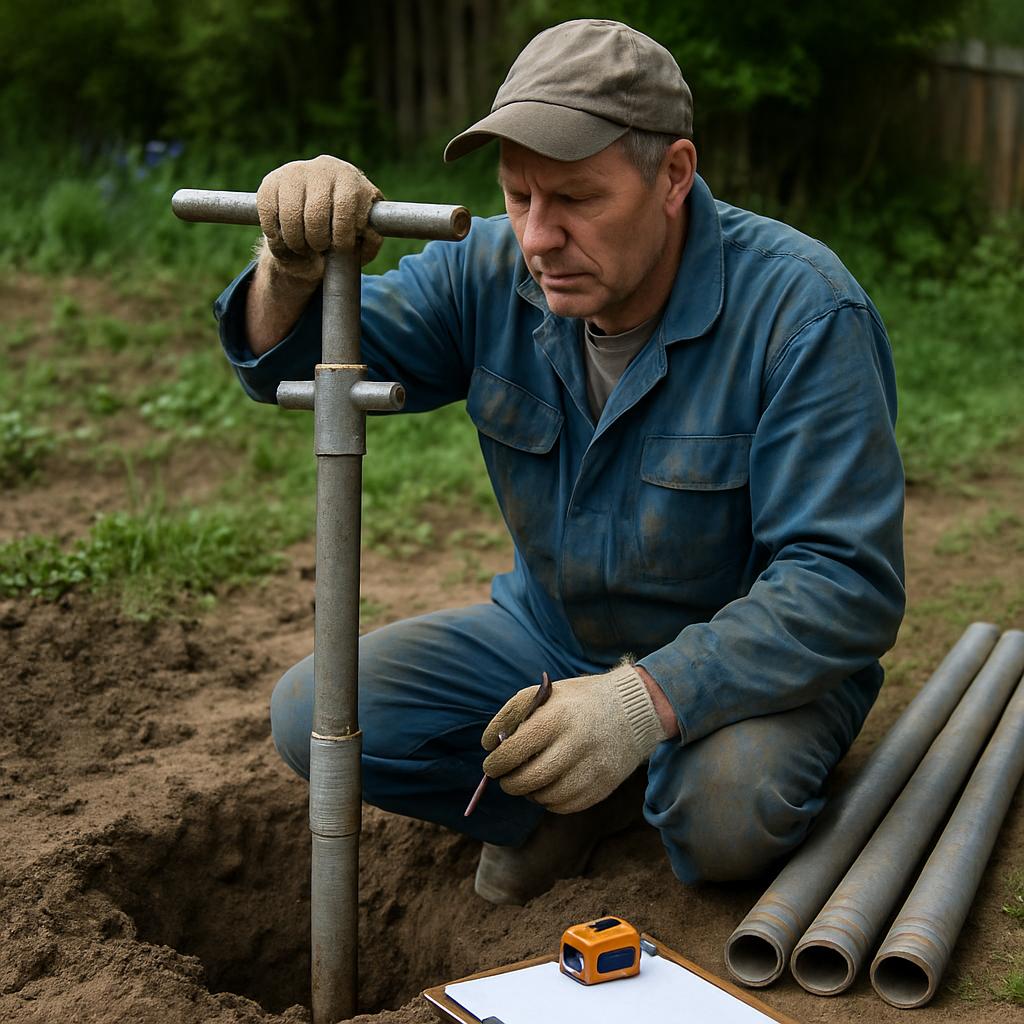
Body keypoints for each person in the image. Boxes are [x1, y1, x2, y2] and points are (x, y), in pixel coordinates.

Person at [215, 19, 905, 905]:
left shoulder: (802, 314)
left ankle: (650, 769)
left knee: (727, 812)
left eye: (577, 199)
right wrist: (289, 264)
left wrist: (639, 702)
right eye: (518, 196)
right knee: (318, 714)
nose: (539, 236)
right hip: (552, 640)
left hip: (753, 670)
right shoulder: (489, 271)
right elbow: (296, 362)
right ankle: (564, 809)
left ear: (674, 176)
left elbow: (843, 583)